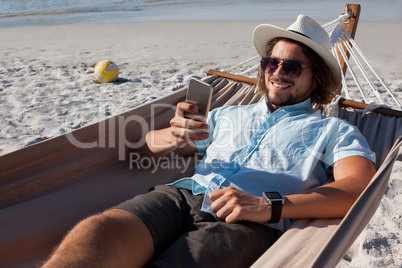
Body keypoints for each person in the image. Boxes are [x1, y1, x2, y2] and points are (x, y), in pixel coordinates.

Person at [42, 15, 376, 268]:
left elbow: (359, 188)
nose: (276, 73)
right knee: (97, 231)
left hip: (247, 220)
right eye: (270, 62)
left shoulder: (333, 130)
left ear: (314, 76)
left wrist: (270, 206)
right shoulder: (227, 114)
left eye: (291, 67)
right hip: (180, 196)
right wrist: (174, 133)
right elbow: (149, 146)